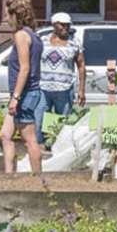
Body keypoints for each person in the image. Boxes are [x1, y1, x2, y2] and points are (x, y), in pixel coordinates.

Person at [0, 0, 44, 174]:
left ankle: (37, 178)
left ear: (15, 15)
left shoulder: (21, 36)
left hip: (24, 94)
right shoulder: (34, 36)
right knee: (5, 134)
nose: (7, 20)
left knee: (29, 139)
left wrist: (16, 97)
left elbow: (24, 68)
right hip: (24, 93)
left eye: (7, 16)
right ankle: (10, 176)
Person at [39, 12, 86, 142]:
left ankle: (58, 146)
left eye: (68, 25)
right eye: (62, 25)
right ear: (54, 25)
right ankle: (44, 146)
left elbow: (81, 66)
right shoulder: (43, 41)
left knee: (62, 122)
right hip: (44, 89)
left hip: (64, 90)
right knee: (42, 121)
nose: (66, 28)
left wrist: (81, 90)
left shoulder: (74, 43)